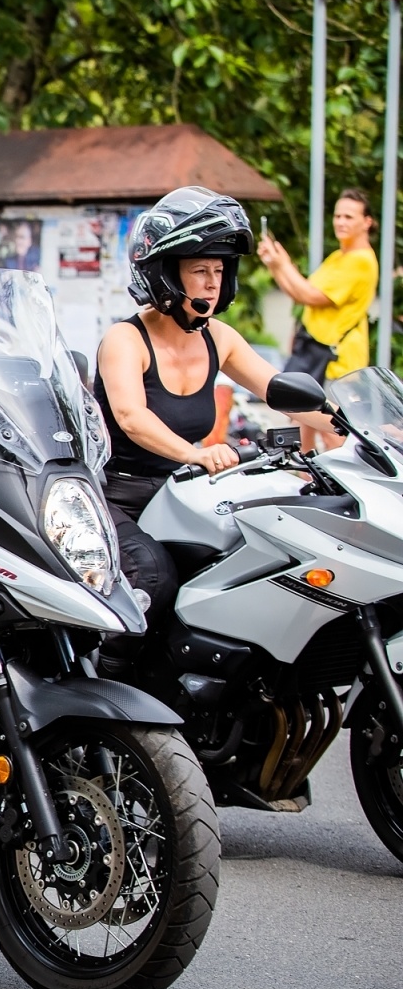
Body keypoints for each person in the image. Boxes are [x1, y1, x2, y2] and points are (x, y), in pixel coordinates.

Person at [94, 187, 334, 678]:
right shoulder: (125, 339)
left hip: (183, 497)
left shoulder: (218, 338)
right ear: (165, 271)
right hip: (117, 499)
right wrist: (197, 454)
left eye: (219, 271)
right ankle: (105, 687)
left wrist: (357, 430)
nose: (211, 283)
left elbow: (280, 391)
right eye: (199, 270)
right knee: (155, 578)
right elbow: (132, 417)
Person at [258, 187, 379, 452]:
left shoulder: (361, 261)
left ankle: (345, 486)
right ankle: (308, 480)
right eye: (338, 216)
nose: (341, 222)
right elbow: (297, 293)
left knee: (332, 428)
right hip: (316, 352)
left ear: (366, 222)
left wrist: (283, 263)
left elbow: (309, 295)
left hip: (337, 361)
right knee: (303, 420)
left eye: (349, 217)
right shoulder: (339, 257)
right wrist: (275, 265)